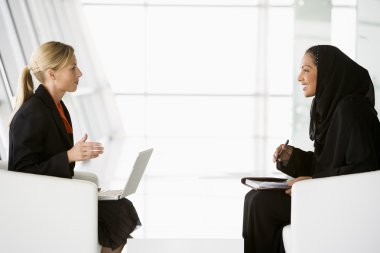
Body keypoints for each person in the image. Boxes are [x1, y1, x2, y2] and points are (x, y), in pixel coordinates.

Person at [242, 45, 380, 253]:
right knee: (255, 197)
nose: (299, 77)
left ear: (327, 73)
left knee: (261, 203)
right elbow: (326, 163)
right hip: (325, 193)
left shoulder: (354, 110)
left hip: (341, 202)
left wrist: (316, 183)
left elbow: (367, 169)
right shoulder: (331, 109)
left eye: (306, 70)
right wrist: (292, 158)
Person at [8, 41, 141, 253]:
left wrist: (84, 189)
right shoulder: (32, 114)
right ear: (52, 74)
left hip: (57, 192)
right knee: (118, 212)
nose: (80, 73)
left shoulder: (58, 107)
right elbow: (22, 174)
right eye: (73, 68)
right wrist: (69, 156)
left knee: (120, 207)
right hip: (39, 202)